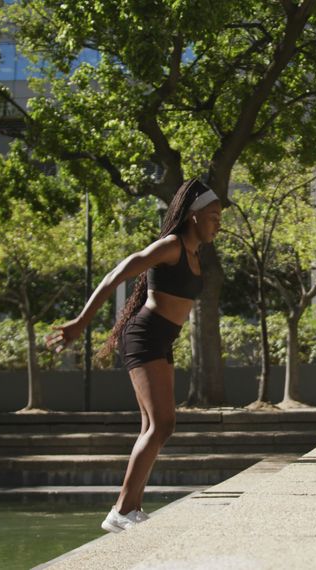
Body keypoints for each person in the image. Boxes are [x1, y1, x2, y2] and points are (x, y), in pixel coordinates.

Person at [45, 179, 222, 533]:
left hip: (162, 339)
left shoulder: (194, 253)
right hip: (145, 336)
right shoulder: (170, 246)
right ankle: (121, 510)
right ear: (193, 217)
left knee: (152, 425)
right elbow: (117, 274)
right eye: (213, 215)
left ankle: (133, 508)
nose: (218, 222)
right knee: (162, 423)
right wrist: (81, 322)